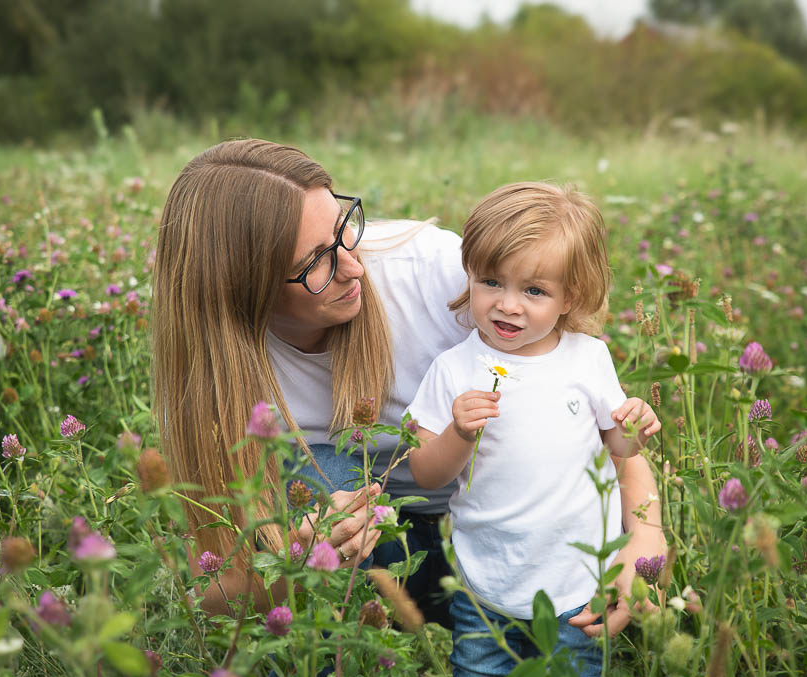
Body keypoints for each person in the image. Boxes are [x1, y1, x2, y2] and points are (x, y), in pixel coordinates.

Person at [151, 139, 664, 631]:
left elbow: (579, 400)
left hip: (527, 535)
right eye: (314, 263)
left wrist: (645, 535)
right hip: (387, 559)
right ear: (243, 287)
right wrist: (298, 558)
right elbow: (216, 597)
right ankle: (353, 649)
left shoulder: (445, 277)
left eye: (343, 229)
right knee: (322, 471)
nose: (354, 266)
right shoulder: (213, 381)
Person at [405, 182, 665, 677]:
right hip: (487, 589)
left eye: (534, 291)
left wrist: (635, 429)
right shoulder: (453, 370)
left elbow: (618, 448)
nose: (508, 305)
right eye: (491, 282)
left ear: (572, 297)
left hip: (578, 585)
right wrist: (459, 433)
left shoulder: (587, 358)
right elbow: (426, 474)